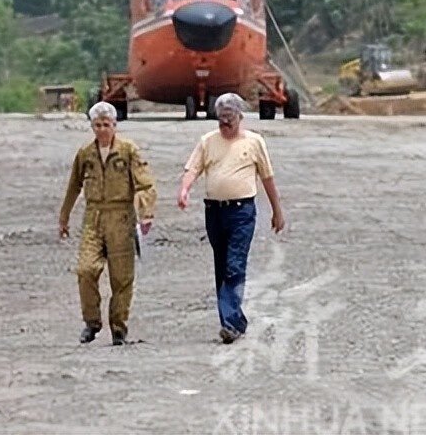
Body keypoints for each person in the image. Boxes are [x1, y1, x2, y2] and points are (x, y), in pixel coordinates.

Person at [176, 92, 286, 344]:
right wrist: (184, 189)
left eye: (229, 120)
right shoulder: (207, 141)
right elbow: (193, 168)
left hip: (242, 212)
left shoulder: (254, 142)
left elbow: (267, 178)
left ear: (240, 117)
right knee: (222, 266)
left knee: (234, 265)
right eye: (221, 120)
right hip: (214, 211)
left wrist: (277, 211)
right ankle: (236, 319)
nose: (225, 125)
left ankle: (230, 324)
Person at [58, 101, 157, 345]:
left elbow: (146, 184)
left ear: (115, 125)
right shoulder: (85, 154)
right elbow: (74, 185)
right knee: (86, 270)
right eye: (97, 125)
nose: (102, 129)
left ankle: (119, 328)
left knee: (121, 278)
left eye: (106, 125)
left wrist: (145, 213)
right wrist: (64, 217)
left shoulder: (128, 151)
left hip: (121, 217)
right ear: (91, 126)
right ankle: (91, 322)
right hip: (94, 217)